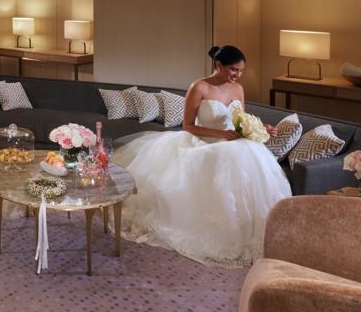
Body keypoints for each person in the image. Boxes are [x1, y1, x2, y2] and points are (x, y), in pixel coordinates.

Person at [110, 45, 292, 267]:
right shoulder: (199, 87)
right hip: (204, 142)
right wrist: (220, 134)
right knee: (225, 159)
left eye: (241, 71)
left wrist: (260, 128)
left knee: (252, 155)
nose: (237, 75)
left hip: (232, 143)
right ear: (218, 65)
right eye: (233, 70)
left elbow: (239, 120)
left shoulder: (238, 89)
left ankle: (252, 229)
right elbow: (187, 126)